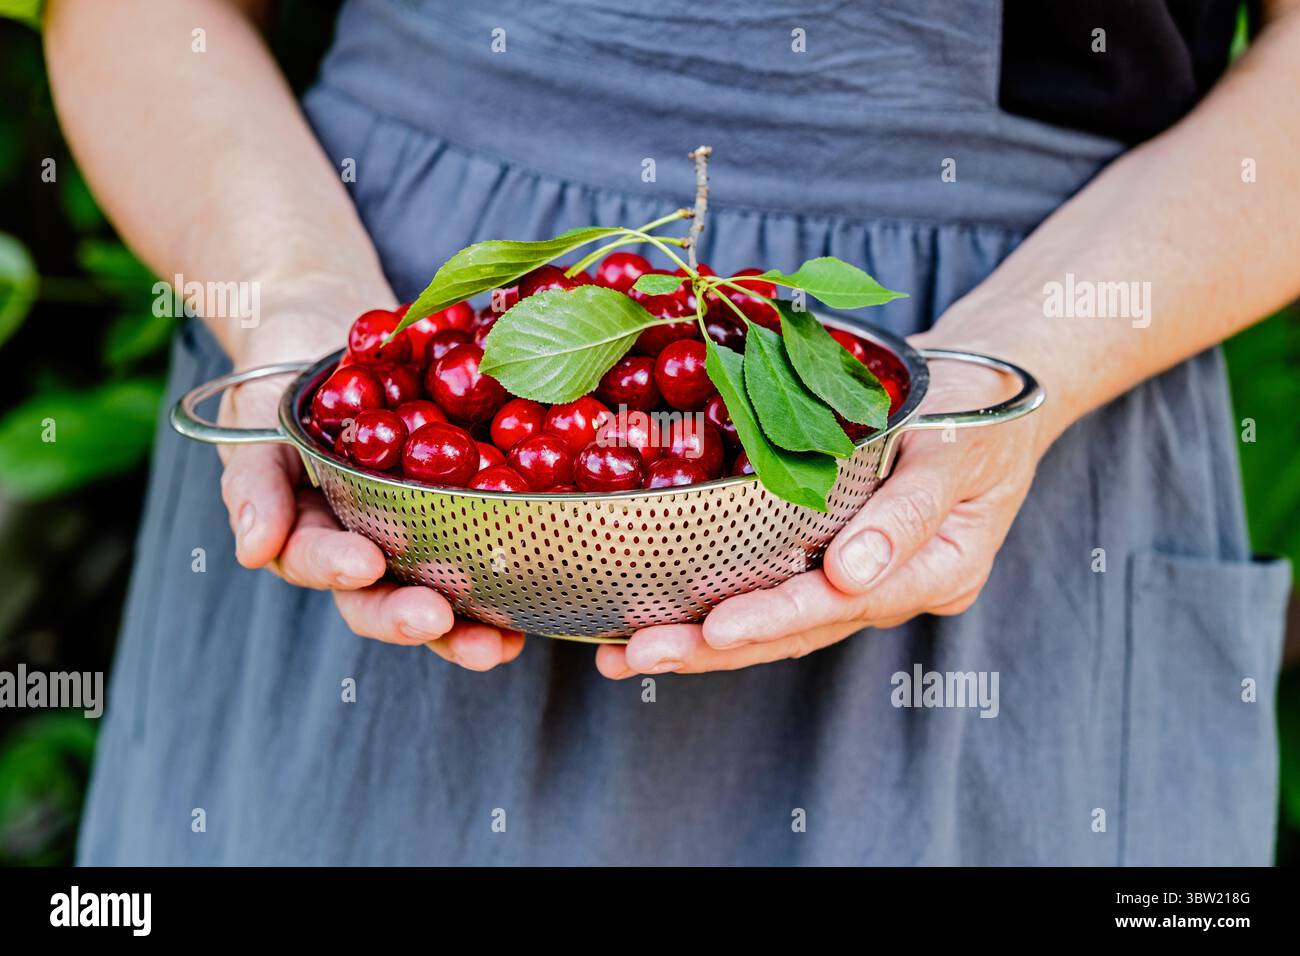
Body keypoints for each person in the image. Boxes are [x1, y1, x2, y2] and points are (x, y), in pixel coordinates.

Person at [48, 0, 1296, 865]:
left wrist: (1025, 358)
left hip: (1033, 375)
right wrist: (285, 298)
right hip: (380, 340)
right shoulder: (389, 377)